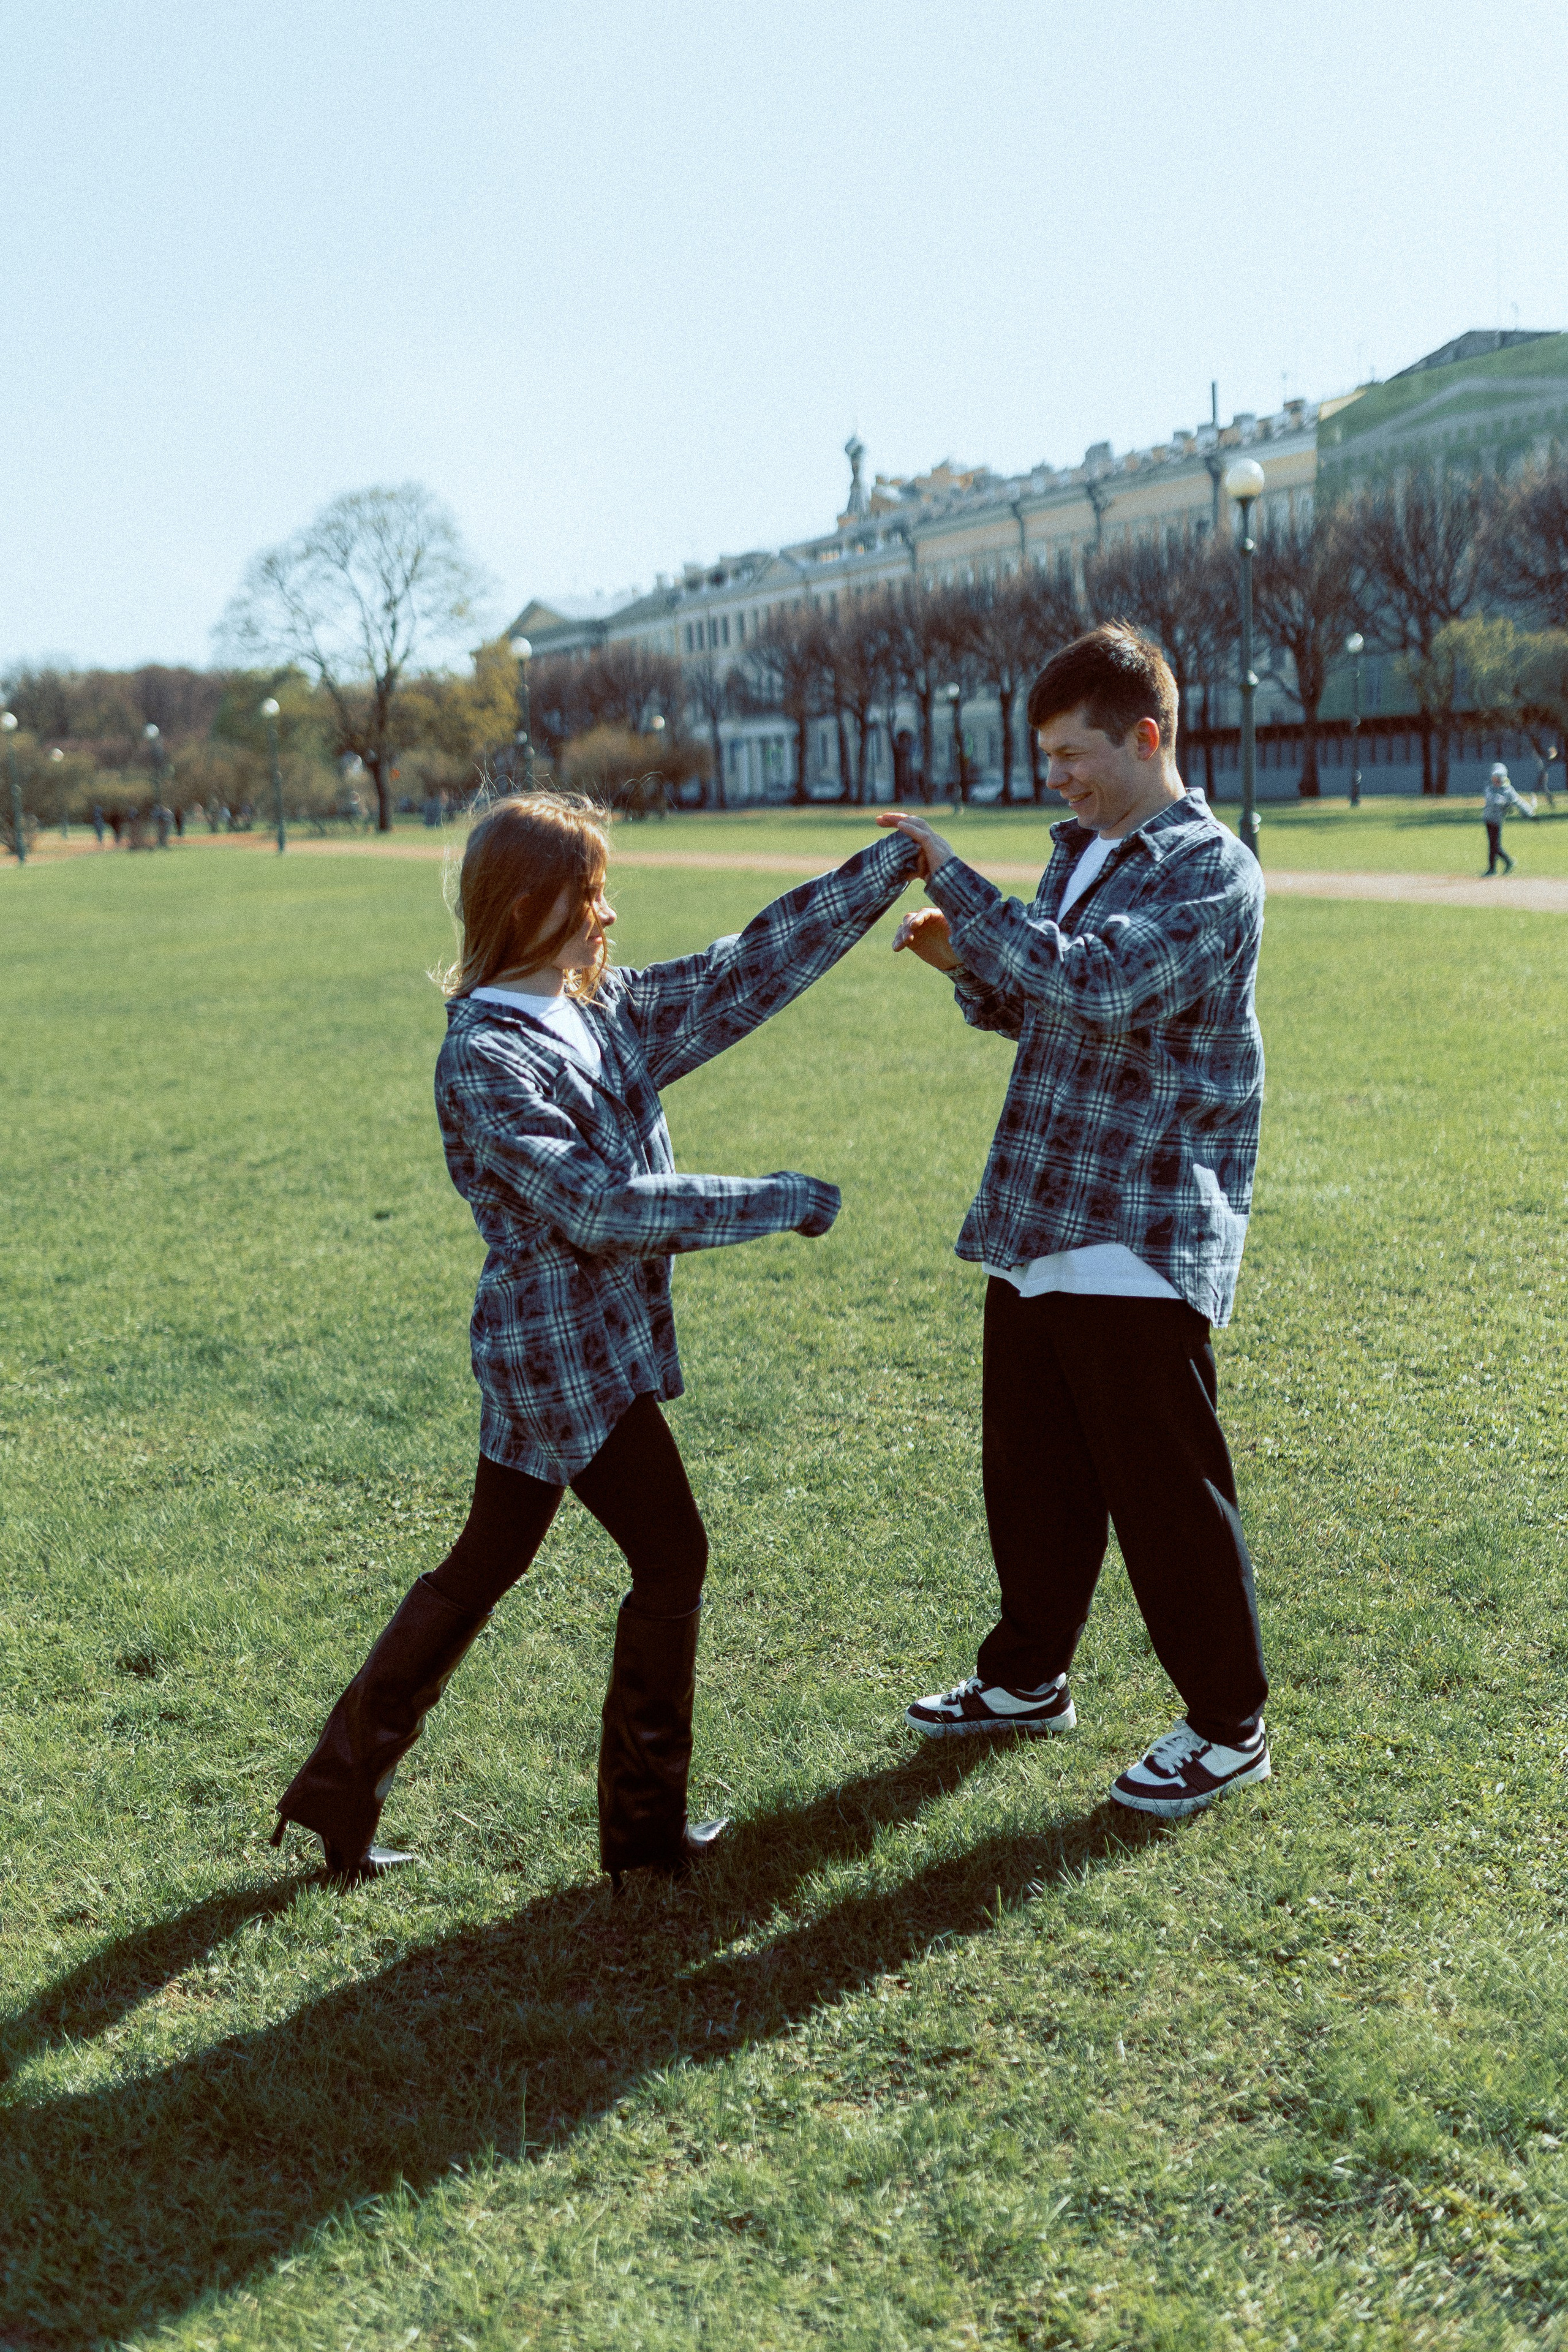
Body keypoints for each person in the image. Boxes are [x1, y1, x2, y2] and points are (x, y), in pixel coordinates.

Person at [271, 793, 919, 1886]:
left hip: (586, 1339)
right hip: (558, 1351)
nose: (608, 915)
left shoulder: (597, 1006)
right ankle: (644, 1837)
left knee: (488, 1557)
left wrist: (887, 867)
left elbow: (742, 971)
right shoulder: (486, 1055)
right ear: (527, 905)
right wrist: (778, 1198)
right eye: (588, 895)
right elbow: (599, 1208)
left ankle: (336, 1796)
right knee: (674, 1556)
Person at [878, 624, 1270, 1822]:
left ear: (1145, 737)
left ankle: (1225, 1725)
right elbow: (1038, 998)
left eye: (1070, 751)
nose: (1055, 773)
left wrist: (952, 876)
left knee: (1163, 1493)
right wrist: (963, 968)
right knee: (1031, 1474)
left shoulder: (1209, 869)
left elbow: (1096, 985)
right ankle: (1025, 1677)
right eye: (1044, 754)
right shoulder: (1079, 852)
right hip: (1041, 1213)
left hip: (1138, 1226)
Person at [1483, 761, 1534, 874]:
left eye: (1498, 778)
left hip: (1497, 821)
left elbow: (1518, 801)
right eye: (1494, 777)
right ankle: (1494, 868)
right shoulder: (1489, 788)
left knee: (1495, 845)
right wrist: (1506, 803)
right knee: (1492, 845)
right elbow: (1493, 799)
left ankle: (1505, 863)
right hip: (1488, 819)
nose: (1495, 780)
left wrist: (1529, 812)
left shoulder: (1508, 790)